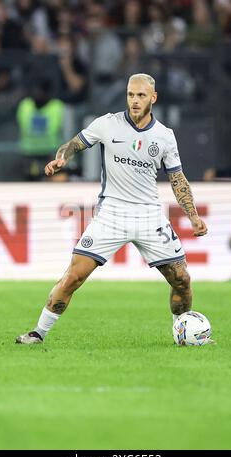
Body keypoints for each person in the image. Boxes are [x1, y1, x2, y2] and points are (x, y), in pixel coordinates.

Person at [16, 73, 208, 345]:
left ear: (153, 98)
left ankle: (184, 329)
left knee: (181, 279)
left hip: (148, 216)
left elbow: (177, 178)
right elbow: (74, 144)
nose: (134, 100)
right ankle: (38, 333)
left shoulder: (164, 137)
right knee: (74, 276)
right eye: (130, 94)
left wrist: (194, 216)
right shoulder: (107, 124)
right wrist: (61, 158)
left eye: (141, 95)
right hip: (111, 214)